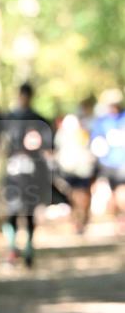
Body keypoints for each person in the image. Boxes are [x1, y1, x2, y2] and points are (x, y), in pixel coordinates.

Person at [1, 83, 53, 267]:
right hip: (13, 172)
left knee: (28, 212)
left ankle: (28, 248)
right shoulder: (8, 118)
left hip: (32, 173)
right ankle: (12, 248)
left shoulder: (38, 120)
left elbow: (48, 147)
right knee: (13, 212)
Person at [54, 98, 97, 234]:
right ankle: (77, 222)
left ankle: (81, 221)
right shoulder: (62, 135)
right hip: (69, 170)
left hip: (82, 170)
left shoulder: (83, 132)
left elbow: (90, 148)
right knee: (74, 197)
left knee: (82, 196)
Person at [90, 89, 125, 230]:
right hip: (107, 164)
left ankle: (122, 218)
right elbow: (96, 142)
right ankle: (118, 218)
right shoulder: (102, 122)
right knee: (112, 194)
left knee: (122, 192)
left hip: (122, 163)